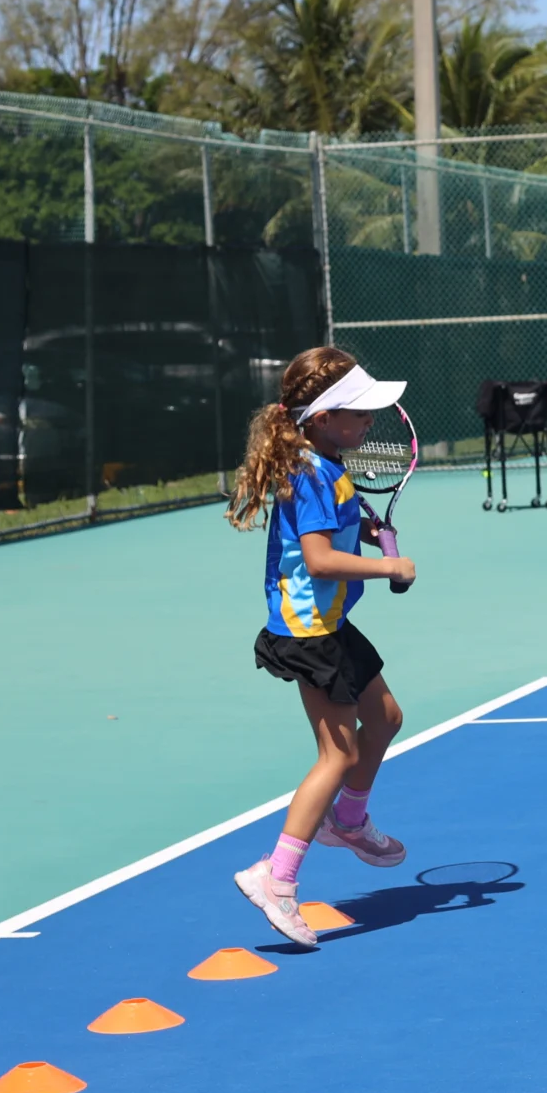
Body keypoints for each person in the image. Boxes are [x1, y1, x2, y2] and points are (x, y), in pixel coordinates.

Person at [223, 347, 418, 948]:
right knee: (334, 757)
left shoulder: (325, 464)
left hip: (326, 625)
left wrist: (361, 530)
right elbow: (318, 558)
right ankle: (275, 878)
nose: (368, 424)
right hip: (309, 634)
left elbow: (327, 533)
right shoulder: (311, 471)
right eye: (358, 415)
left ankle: (348, 822)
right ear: (323, 418)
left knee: (385, 718)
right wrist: (387, 566)